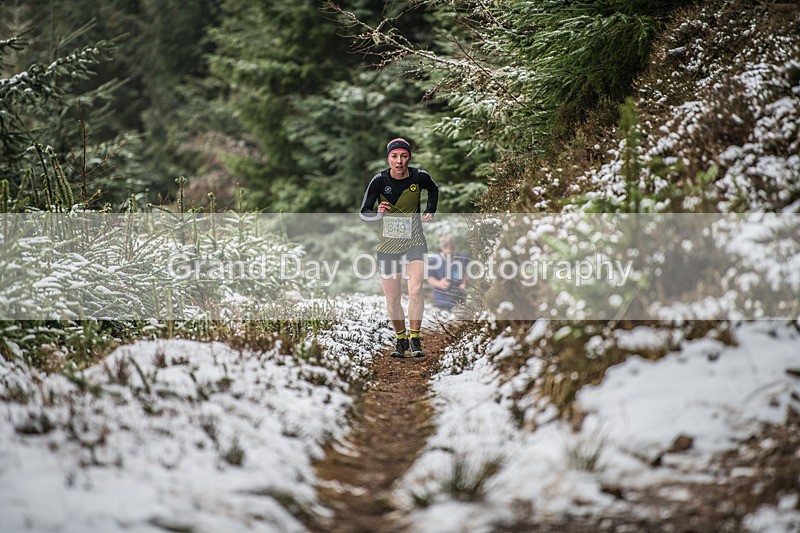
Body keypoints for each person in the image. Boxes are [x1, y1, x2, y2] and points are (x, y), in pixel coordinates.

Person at [360, 138, 438, 358]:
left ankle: (415, 338)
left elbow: (434, 189)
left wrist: (430, 209)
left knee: (415, 290)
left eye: (403, 156)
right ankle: (401, 339)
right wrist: (378, 214)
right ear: (388, 159)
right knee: (393, 298)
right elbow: (363, 212)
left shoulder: (419, 177)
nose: (399, 161)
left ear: (409, 158)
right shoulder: (379, 181)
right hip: (388, 246)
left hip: (415, 241)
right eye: (394, 156)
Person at [427, 234, 468, 311]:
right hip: (441, 300)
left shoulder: (461, 258)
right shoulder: (434, 260)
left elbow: (465, 275)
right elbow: (430, 278)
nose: (448, 251)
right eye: (446, 248)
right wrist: (439, 283)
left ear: (454, 248)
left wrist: (463, 285)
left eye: (451, 248)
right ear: (442, 248)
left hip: (458, 300)